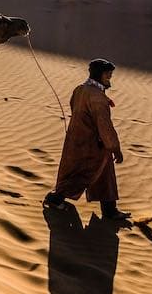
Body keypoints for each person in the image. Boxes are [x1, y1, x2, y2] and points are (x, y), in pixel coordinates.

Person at [44, 59, 129, 220]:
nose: (109, 78)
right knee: (83, 174)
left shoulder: (80, 89)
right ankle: (56, 198)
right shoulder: (97, 98)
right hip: (92, 145)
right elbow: (104, 125)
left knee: (105, 175)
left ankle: (110, 211)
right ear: (99, 75)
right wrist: (115, 148)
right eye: (107, 75)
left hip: (78, 140)